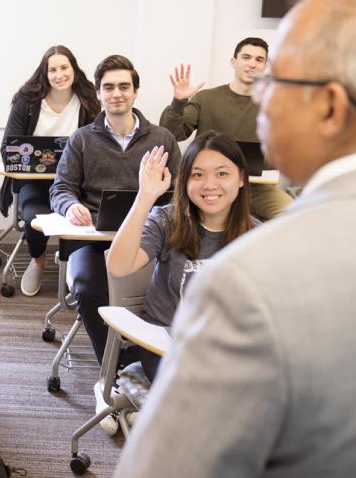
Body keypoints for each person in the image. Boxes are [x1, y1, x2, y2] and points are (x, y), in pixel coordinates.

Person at [116, 0, 356, 475]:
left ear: (329, 106)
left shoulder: (248, 273)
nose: (259, 97)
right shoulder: (174, 222)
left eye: (274, 80)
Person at [49, 54, 181, 365]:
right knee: (87, 287)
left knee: (166, 287)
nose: (116, 93)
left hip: (150, 239)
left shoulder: (162, 138)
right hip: (92, 240)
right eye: (108, 87)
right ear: (98, 94)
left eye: (124, 86)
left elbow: (180, 193)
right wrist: (71, 207)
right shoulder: (81, 139)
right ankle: (117, 368)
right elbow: (60, 188)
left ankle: (146, 357)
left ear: (136, 92)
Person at [107, 131, 254, 383]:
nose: (209, 185)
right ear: (185, 181)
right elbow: (119, 267)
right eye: (198, 175)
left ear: (240, 178)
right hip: (166, 345)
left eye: (222, 173)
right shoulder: (167, 220)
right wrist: (145, 196)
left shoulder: (257, 235)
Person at [0, 45, 101, 296]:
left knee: (87, 216)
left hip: (74, 182)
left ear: (74, 69)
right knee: (34, 219)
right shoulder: (27, 101)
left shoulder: (87, 100)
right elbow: (7, 148)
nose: (59, 75)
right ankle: (38, 260)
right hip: (34, 181)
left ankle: (76, 263)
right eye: (52, 69)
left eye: (64, 67)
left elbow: (98, 144)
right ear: (44, 73)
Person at [159, 36, 293, 220]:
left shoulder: (274, 104)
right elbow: (171, 134)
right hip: (207, 184)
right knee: (172, 217)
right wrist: (179, 102)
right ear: (233, 62)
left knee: (293, 214)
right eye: (246, 57)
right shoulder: (206, 98)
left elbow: (285, 153)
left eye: (259, 59)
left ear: (265, 67)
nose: (252, 64)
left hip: (254, 187)